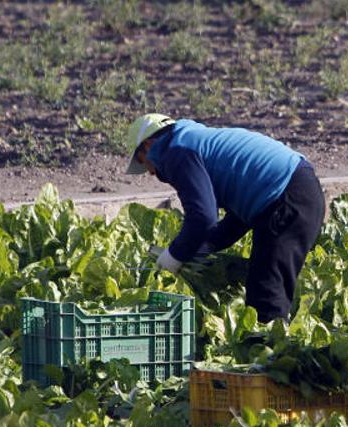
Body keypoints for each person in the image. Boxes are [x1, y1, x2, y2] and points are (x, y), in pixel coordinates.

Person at [124, 113, 325, 323]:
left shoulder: (175, 152)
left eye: (142, 161)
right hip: (298, 190)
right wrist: (201, 249)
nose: (149, 173)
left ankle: (271, 352)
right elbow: (239, 217)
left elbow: (202, 217)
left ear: (148, 145)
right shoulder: (192, 140)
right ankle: (273, 347)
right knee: (266, 285)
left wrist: (175, 255)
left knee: (267, 295)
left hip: (287, 196)